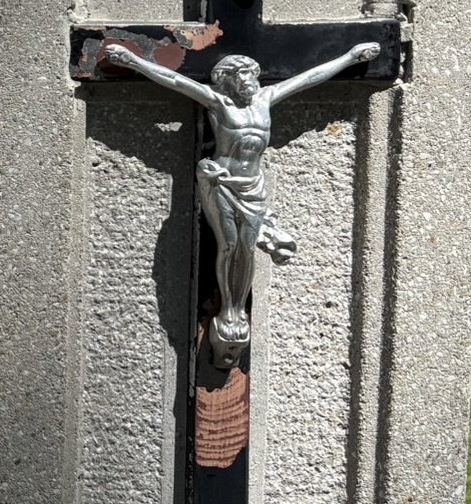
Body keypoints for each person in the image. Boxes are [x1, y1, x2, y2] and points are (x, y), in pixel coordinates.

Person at [102, 39, 380, 365]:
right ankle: (229, 311)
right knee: (230, 245)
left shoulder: (266, 98)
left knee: (247, 248)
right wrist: (133, 61)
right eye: (242, 76)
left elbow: (308, 78)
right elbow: (175, 80)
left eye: (252, 74)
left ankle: (236, 307)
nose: (249, 81)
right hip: (222, 182)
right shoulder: (218, 103)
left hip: (253, 185)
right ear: (228, 80)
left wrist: (350, 57)